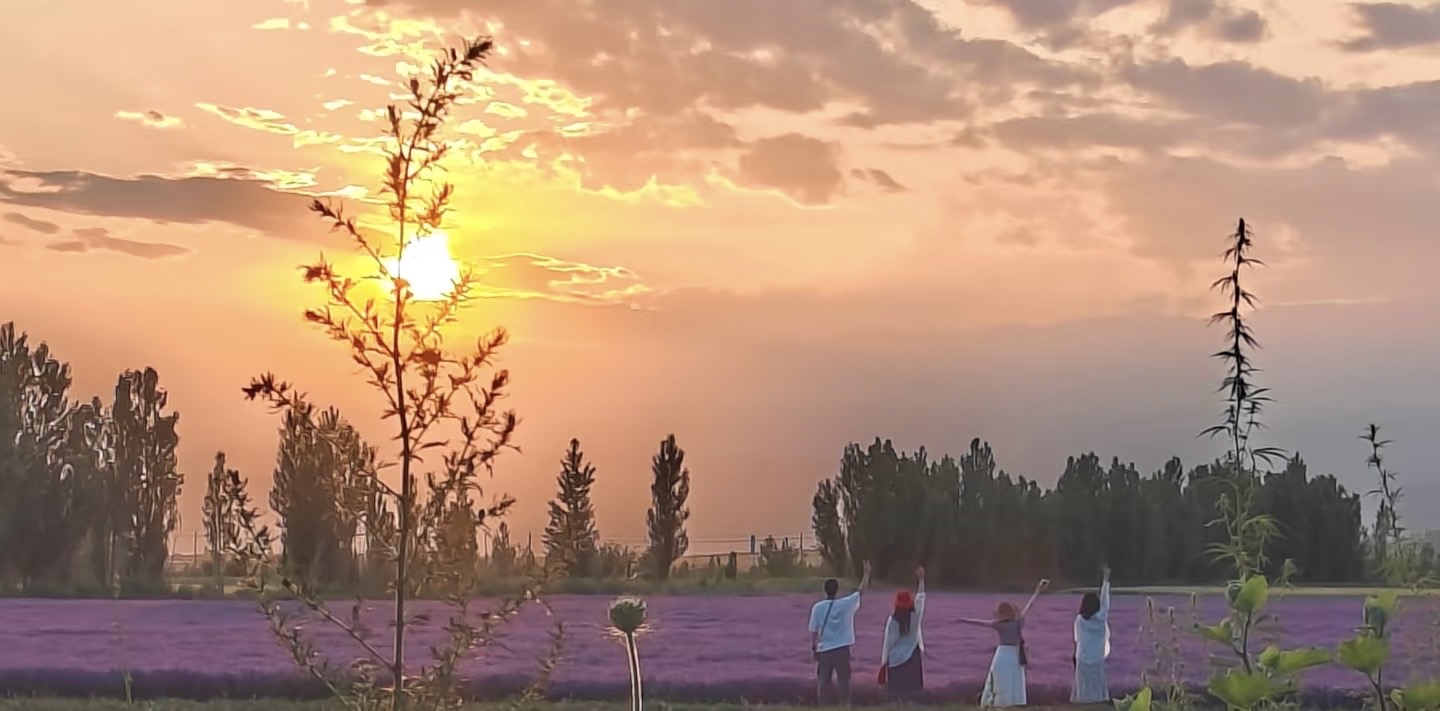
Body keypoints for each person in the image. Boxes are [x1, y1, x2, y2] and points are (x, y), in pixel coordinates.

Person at [960, 578, 1050, 708]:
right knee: (1014, 678)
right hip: (1015, 654)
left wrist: (965, 620)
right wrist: (1038, 590)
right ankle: (1013, 700)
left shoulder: (999, 625)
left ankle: (997, 701)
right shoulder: (1018, 622)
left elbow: (981, 622)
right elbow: (1029, 606)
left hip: (1002, 654)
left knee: (999, 678)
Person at [810, 561, 872, 706]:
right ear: (837, 590)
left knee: (823, 681)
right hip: (842, 649)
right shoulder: (846, 604)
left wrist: (814, 648)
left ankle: (823, 705)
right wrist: (867, 573)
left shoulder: (817, 608)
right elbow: (861, 591)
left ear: (825, 590)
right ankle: (844, 705)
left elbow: (813, 631)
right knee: (844, 681)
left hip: (824, 649)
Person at [879, 566, 927, 700]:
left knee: (897, 696)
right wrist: (921, 579)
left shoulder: (892, 621)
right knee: (914, 694)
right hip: (912, 658)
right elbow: (921, 599)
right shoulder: (915, 617)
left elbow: (887, 644)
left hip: (896, 661)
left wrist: (883, 664)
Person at [1071, 566, 1112, 704]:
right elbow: (1106, 604)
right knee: (1097, 684)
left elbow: (1077, 639)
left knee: (1083, 687)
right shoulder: (1101, 620)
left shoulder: (1079, 620)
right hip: (1097, 658)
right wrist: (1105, 580)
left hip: (1083, 657)